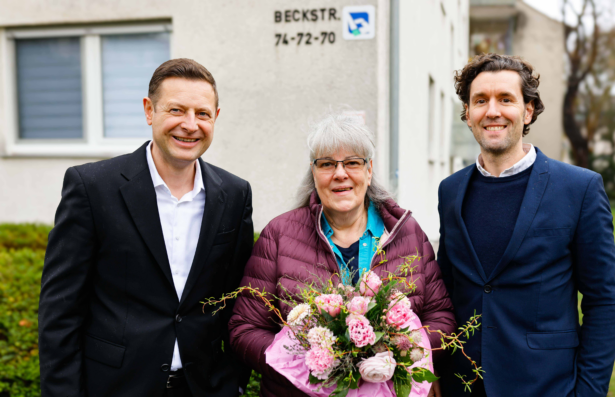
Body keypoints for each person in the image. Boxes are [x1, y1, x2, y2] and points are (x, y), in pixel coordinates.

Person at [38, 59, 253, 396]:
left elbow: (237, 299)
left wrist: (235, 381)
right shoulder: (92, 187)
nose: (190, 125)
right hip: (116, 387)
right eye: (177, 110)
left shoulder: (235, 194)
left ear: (216, 118)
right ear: (149, 111)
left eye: (202, 113)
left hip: (206, 388)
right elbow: (60, 311)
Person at [228, 113, 456, 397]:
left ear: (369, 169)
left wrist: (401, 354)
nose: (340, 174)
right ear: (313, 172)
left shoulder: (406, 233)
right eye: (326, 164)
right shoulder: (279, 235)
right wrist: (306, 363)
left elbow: (440, 316)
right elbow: (245, 329)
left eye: (352, 162)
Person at [436, 53, 615, 397]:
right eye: (480, 101)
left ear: (528, 111)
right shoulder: (450, 191)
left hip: (546, 384)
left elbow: (603, 300)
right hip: (461, 385)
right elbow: (444, 292)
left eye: (506, 99)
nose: (492, 111)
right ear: (468, 114)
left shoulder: (579, 188)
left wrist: (589, 392)